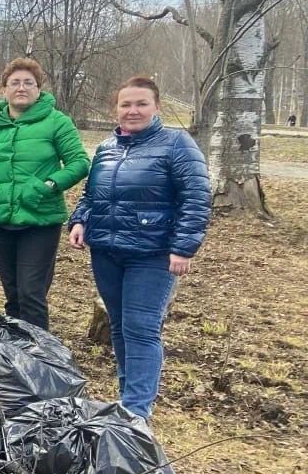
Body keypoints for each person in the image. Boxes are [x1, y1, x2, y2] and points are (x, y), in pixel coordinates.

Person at [68, 76, 210, 418]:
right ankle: (127, 396)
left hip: (152, 254)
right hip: (107, 251)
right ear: (115, 109)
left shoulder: (177, 143)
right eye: (126, 104)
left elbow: (196, 197)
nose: (133, 111)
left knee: (141, 328)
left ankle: (137, 412)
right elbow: (92, 195)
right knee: (118, 325)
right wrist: (79, 220)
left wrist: (184, 247)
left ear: (156, 107)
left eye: (141, 104)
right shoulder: (106, 148)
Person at [0, 58, 90, 330]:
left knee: (31, 293)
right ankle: (16, 353)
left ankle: (40, 358)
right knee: (12, 292)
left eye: (29, 82)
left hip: (39, 219)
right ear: (3, 89)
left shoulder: (56, 122)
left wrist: (48, 185)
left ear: (38, 88)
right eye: (14, 82)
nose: (21, 87)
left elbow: (79, 162)